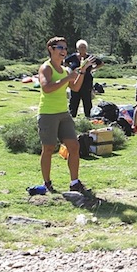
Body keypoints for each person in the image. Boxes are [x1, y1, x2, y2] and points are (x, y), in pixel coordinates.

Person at [37, 36, 89, 193]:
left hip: (63, 114)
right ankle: (47, 183)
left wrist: (82, 71)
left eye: (65, 48)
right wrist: (68, 77)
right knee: (48, 148)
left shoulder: (66, 69)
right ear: (51, 49)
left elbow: (75, 88)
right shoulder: (46, 68)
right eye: (60, 48)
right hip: (48, 114)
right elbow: (47, 88)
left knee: (74, 146)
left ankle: (74, 182)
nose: (64, 51)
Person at [64, 39, 101, 118]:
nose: (82, 49)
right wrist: (71, 68)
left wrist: (93, 68)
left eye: (84, 47)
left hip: (87, 81)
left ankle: (88, 117)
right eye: (80, 47)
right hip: (75, 79)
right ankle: (72, 116)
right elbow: (65, 62)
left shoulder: (90, 57)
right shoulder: (74, 57)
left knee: (87, 100)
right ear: (77, 48)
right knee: (74, 99)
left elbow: (101, 63)